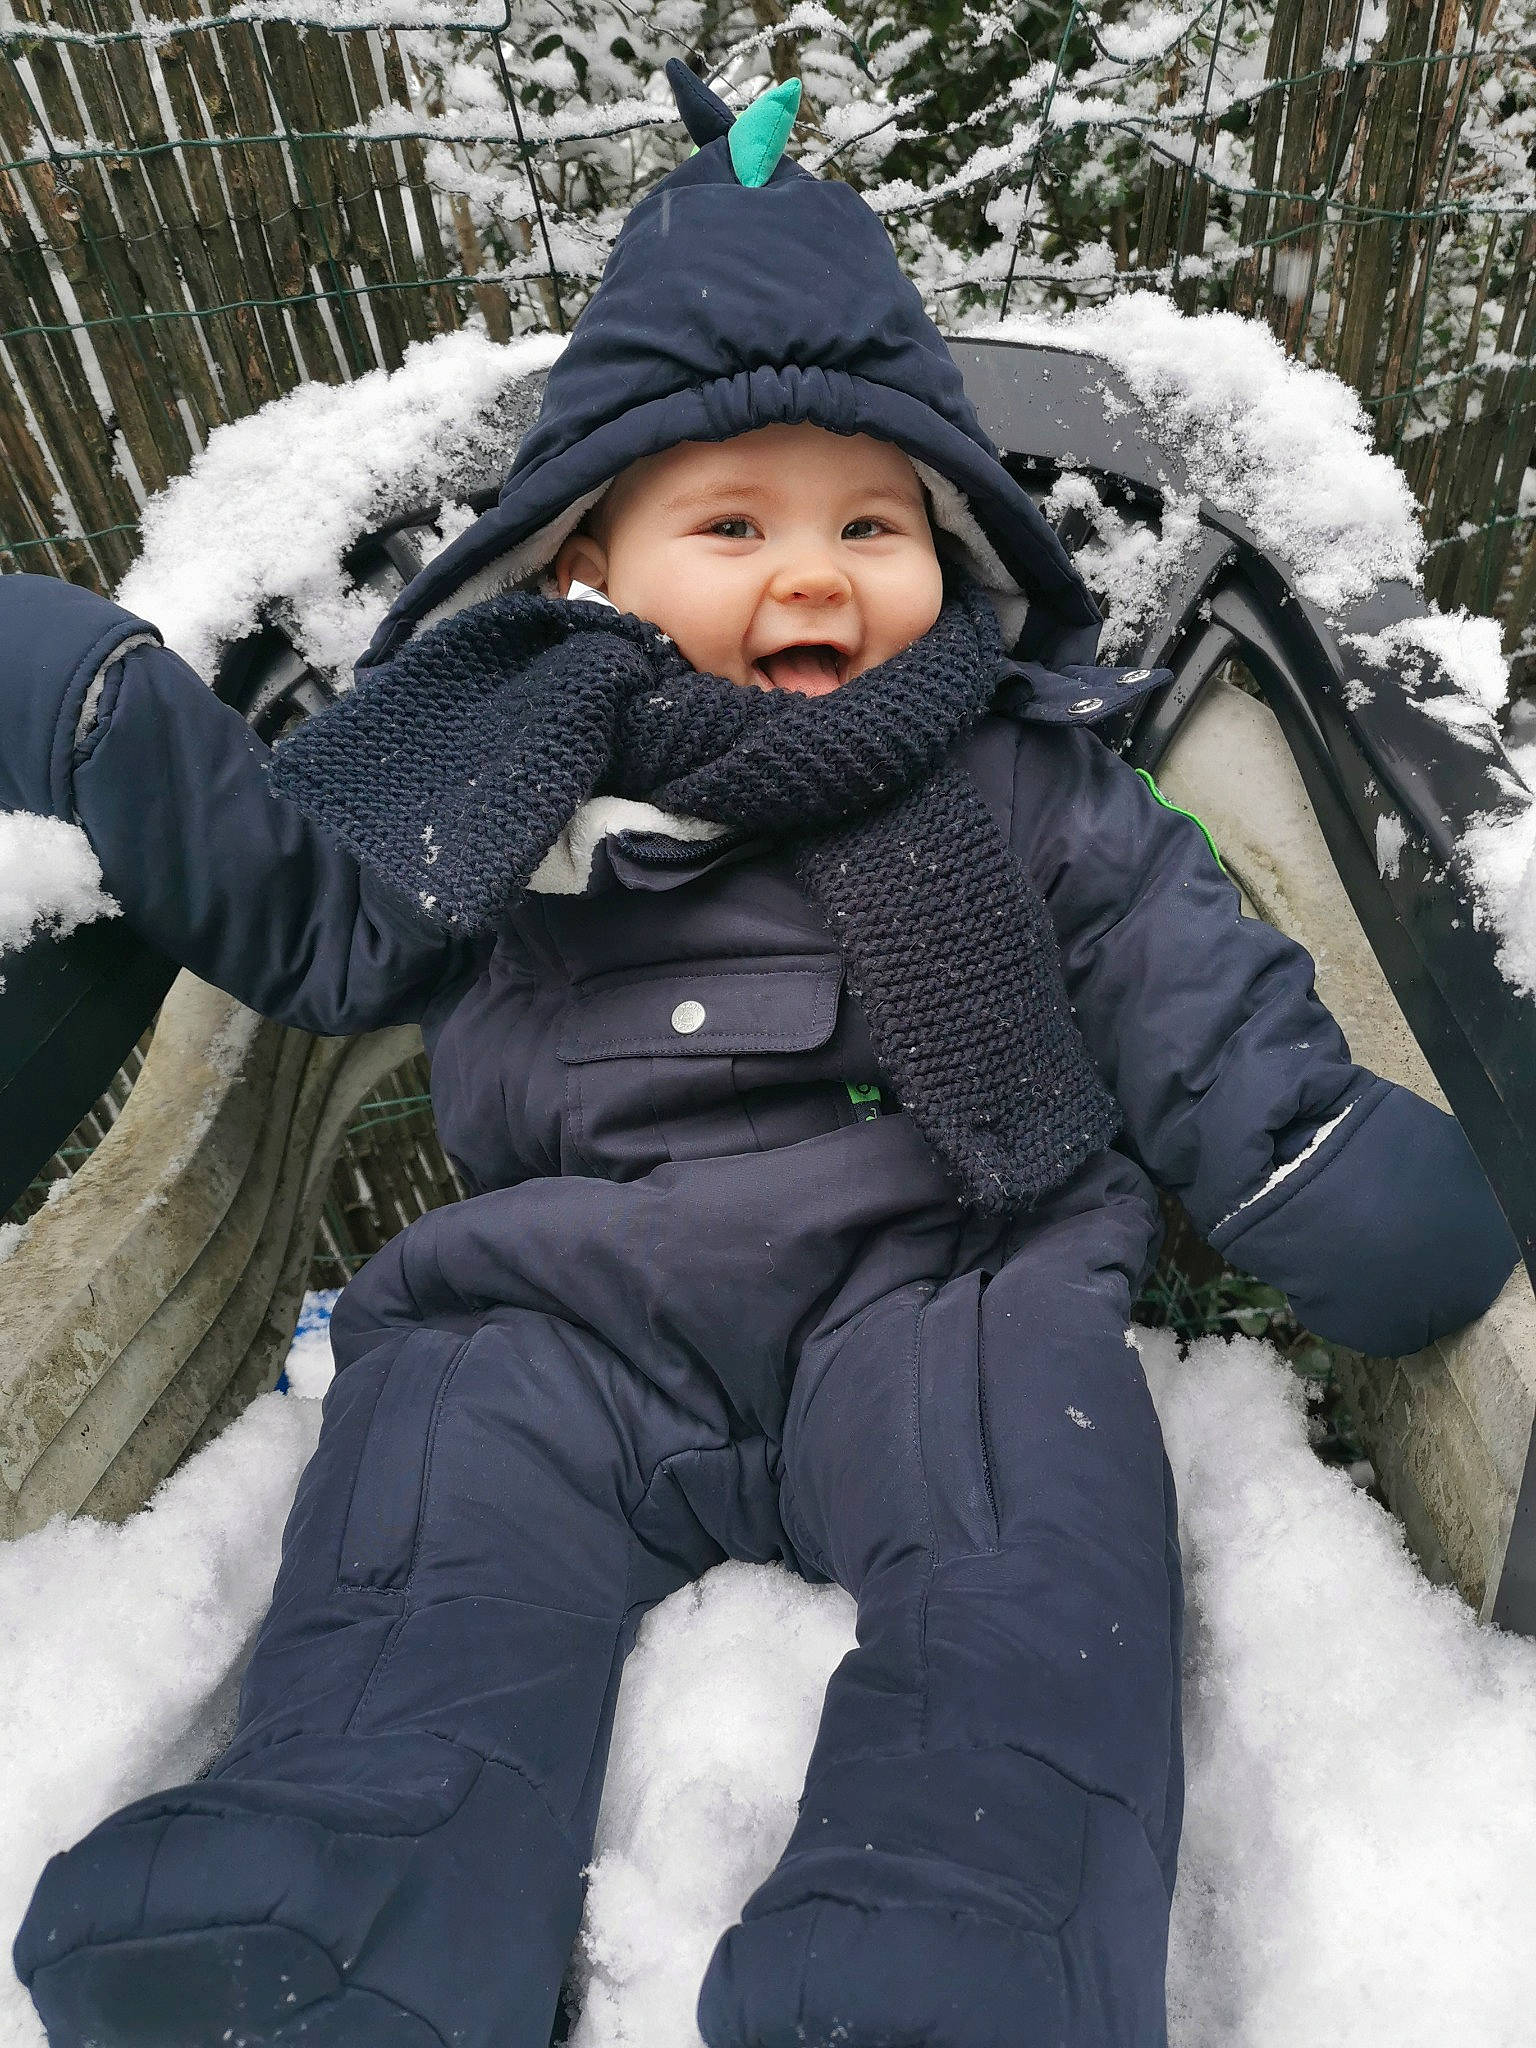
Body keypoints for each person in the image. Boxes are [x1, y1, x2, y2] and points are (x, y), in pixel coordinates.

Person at [5, 61, 1518, 2048]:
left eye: (872, 521)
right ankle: (349, 1888)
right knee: (431, 1516)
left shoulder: (1020, 779)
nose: (813, 571)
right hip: (566, 1307)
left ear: (954, 558)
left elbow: (1183, 981)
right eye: (734, 520)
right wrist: (123, 724)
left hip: (938, 1284)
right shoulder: (511, 766)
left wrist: (1315, 1154)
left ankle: (968, 1922)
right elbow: (307, 915)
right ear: (585, 572)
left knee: (1030, 1563)